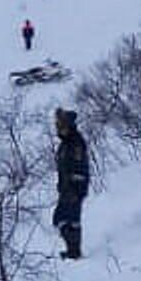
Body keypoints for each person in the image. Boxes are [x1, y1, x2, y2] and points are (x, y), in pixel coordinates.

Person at [52, 108, 90, 260]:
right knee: (61, 218)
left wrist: (74, 185)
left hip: (75, 187)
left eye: (61, 126)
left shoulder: (75, 142)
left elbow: (79, 166)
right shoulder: (65, 144)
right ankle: (72, 249)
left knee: (71, 218)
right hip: (66, 187)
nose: (59, 129)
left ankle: (74, 252)